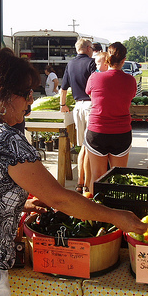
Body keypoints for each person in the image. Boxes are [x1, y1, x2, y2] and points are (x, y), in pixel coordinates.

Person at [0, 48, 148, 296]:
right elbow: (59, 199)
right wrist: (119, 218)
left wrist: (19, 202)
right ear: (1, 94)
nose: (30, 102)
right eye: (26, 95)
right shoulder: (3, 138)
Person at [85, 42, 136, 191]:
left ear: (107, 58)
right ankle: (115, 210)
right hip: (121, 133)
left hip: (97, 131)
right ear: (124, 60)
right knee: (118, 177)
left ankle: (93, 211)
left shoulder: (95, 78)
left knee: (96, 175)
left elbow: (89, 92)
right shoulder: (131, 81)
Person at [60, 38, 96, 193]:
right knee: (90, 147)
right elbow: (96, 86)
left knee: (82, 146)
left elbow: (63, 89)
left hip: (77, 107)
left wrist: (62, 105)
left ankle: (80, 182)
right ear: (88, 48)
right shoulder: (91, 63)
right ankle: (87, 183)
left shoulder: (70, 64)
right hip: (90, 105)